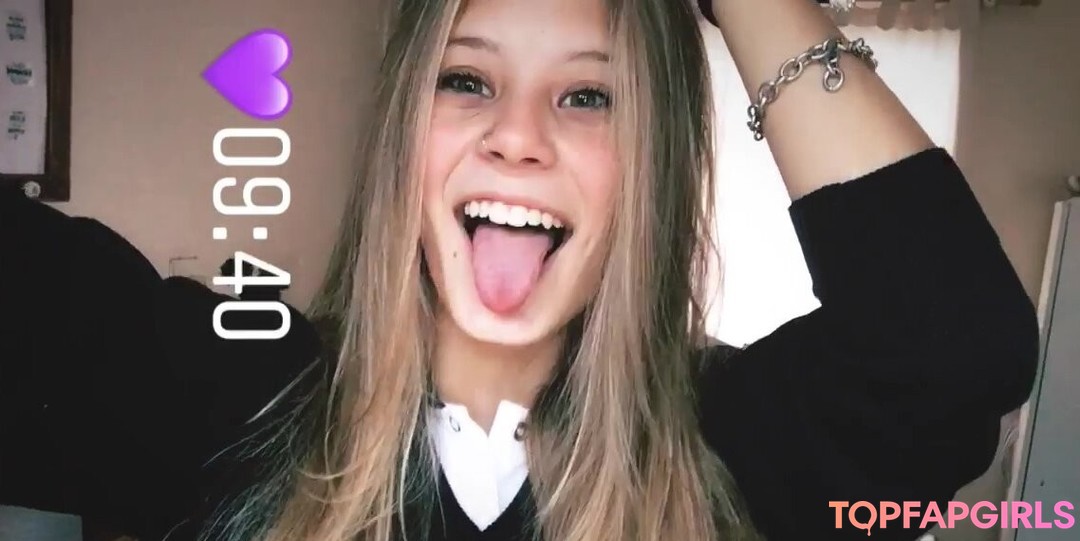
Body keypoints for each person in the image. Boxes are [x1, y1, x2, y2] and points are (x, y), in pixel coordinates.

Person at [0, 0, 1039, 540]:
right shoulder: (233, 392)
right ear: (403, 135)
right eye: (466, 79)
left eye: (587, 96)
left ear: (653, 166)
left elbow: (951, 348)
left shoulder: (734, 449)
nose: (517, 136)